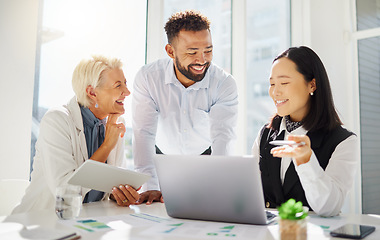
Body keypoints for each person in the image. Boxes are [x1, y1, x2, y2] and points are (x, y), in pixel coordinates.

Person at [132, 10, 238, 204]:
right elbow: (143, 132)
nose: (202, 60)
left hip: (206, 158)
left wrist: (220, 182)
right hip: (161, 157)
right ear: (170, 51)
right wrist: (150, 185)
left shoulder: (224, 83)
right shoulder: (148, 78)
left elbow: (223, 137)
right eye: (192, 52)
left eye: (208, 50)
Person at [13, 56, 139, 213]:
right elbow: (65, 192)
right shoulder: (57, 120)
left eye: (125, 84)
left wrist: (119, 193)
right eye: (118, 86)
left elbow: (109, 183)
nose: (127, 92)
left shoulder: (115, 122)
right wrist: (107, 145)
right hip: (41, 221)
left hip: (86, 221)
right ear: (92, 93)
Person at [252, 46, 358, 217]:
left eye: (284, 83)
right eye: (272, 84)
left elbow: (329, 207)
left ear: (312, 84)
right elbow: (251, 195)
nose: (275, 92)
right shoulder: (265, 134)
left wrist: (305, 161)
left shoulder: (343, 141)